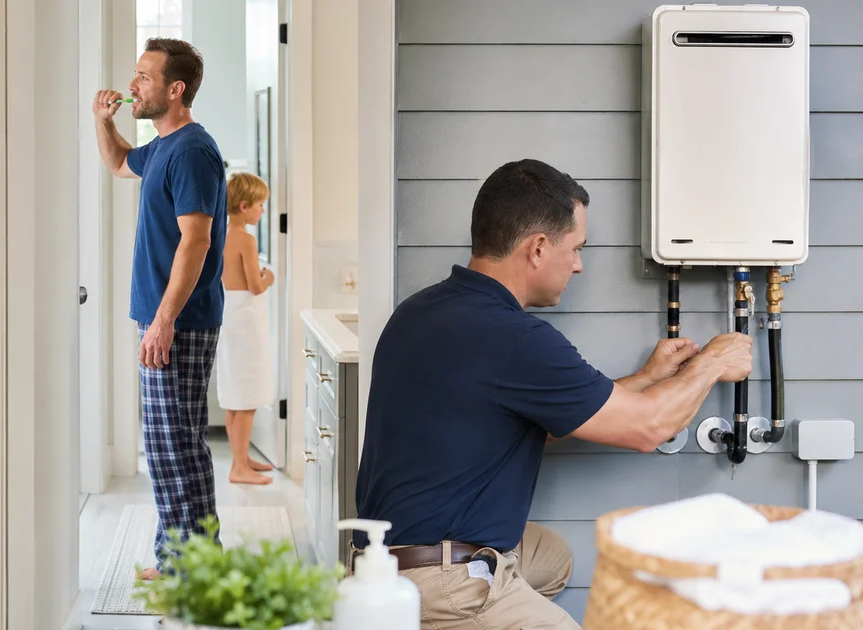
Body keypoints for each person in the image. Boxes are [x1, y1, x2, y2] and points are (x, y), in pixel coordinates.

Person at [353, 158, 754, 629]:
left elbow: (539, 418)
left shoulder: (421, 310)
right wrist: (713, 363)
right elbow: (651, 427)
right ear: (539, 248)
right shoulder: (514, 338)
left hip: (381, 559)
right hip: (438, 584)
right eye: (576, 248)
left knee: (551, 557)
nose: (579, 265)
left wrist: (648, 376)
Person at [91, 38, 227, 579]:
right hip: (164, 320)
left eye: (143, 78)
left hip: (180, 323)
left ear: (175, 89)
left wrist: (165, 321)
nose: (132, 87)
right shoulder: (165, 147)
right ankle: (188, 564)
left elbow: (196, 242)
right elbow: (122, 164)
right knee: (173, 446)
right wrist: (103, 121)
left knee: (175, 451)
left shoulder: (193, 150)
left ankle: (189, 571)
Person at [217, 172, 276, 485]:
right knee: (248, 397)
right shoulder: (247, 240)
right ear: (244, 206)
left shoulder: (222, 236)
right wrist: (270, 277)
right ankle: (239, 467)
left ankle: (241, 458)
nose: (263, 211)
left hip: (230, 315)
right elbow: (255, 285)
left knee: (234, 394)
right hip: (247, 322)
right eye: (260, 205)